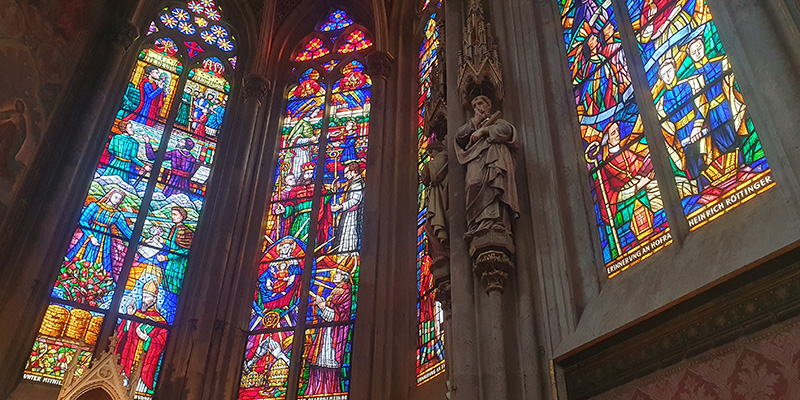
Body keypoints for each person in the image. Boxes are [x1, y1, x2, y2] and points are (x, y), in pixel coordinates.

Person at [455, 95, 520, 245]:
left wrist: (485, 132)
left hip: (494, 158)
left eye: (481, 103)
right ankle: (477, 225)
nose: (478, 106)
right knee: (473, 183)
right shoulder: (471, 126)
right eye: (475, 104)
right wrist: (476, 122)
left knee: (496, 185)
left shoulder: (497, 121)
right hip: (476, 160)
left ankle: (498, 223)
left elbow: (508, 131)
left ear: (488, 105)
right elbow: (459, 136)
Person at [597, 122, 663, 228]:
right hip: (626, 202)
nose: (617, 134)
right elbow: (612, 197)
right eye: (613, 133)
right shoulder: (606, 166)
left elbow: (640, 168)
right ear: (607, 140)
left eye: (618, 131)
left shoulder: (627, 153)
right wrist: (638, 186)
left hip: (643, 186)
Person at [657, 57, 707, 189]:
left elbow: (702, 104)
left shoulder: (689, 84)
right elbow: (665, 127)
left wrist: (697, 126)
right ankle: (701, 189)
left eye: (669, 72)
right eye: (664, 75)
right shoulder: (661, 102)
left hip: (695, 125)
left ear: (674, 69)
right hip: (680, 134)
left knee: (704, 157)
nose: (667, 77)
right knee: (691, 165)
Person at [305, 262, 354, 395]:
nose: (335, 275)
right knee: (319, 361)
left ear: (344, 276)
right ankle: (316, 390)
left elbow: (340, 315)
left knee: (328, 361)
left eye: (338, 273)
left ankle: (328, 391)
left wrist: (322, 307)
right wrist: (323, 304)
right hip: (326, 332)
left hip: (334, 336)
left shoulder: (346, 292)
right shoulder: (337, 290)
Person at [116, 280, 167, 393]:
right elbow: (124, 333)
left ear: (154, 299)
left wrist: (147, 339)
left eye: (147, 297)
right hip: (127, 361)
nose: (144, 300)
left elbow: (160, 343)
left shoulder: (161, 322)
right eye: (143, 297)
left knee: (138, 391)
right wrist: (129, 317)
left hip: (143, 367)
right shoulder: (136, 313)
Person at [66, 188, 133, 275]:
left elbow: (126, 231)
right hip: (89, 235)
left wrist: (143, 240)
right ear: (110, 195)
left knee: (103, 260)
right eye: (115, 197)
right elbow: (83, 220)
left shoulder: (117, 214)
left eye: (119, 199)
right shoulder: (94, 206)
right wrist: (91, 236)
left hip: (105, 240)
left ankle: (95, 280)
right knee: (80, 253)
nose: (117, 200)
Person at [274, 163, 315, 241]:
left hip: (315, 216)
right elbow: (291, 204)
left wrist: (332, 191)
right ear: (303, 174)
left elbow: (324, 198)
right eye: (308, 173)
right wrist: (285, 210)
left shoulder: (317, 186)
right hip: (299, 218)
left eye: (312, 173)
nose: (310, 176)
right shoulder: (295, 189)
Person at [156, 206, 193, 293]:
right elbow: (174, 245)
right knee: (167, 282)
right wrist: (163, 241)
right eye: (172, 214)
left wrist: (166, 258)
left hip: (179, 264)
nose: (172, 216)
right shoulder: (174, 228)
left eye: (175, 214)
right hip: (171, 262)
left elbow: (185, 250)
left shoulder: (187, 232)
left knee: (175, 285)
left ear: (182, 216)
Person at [329, 163, 364, 254]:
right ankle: (343, 253)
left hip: (353, 215)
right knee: (345, 234)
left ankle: (348, 254)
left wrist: (340, 207)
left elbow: (355, 200)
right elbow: (345, 190)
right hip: (348, 214)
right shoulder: (352, 182)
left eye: (347, 173)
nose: (345, 175)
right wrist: (338, 187)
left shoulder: (358, 184)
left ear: (354, 172)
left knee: (350, 234)